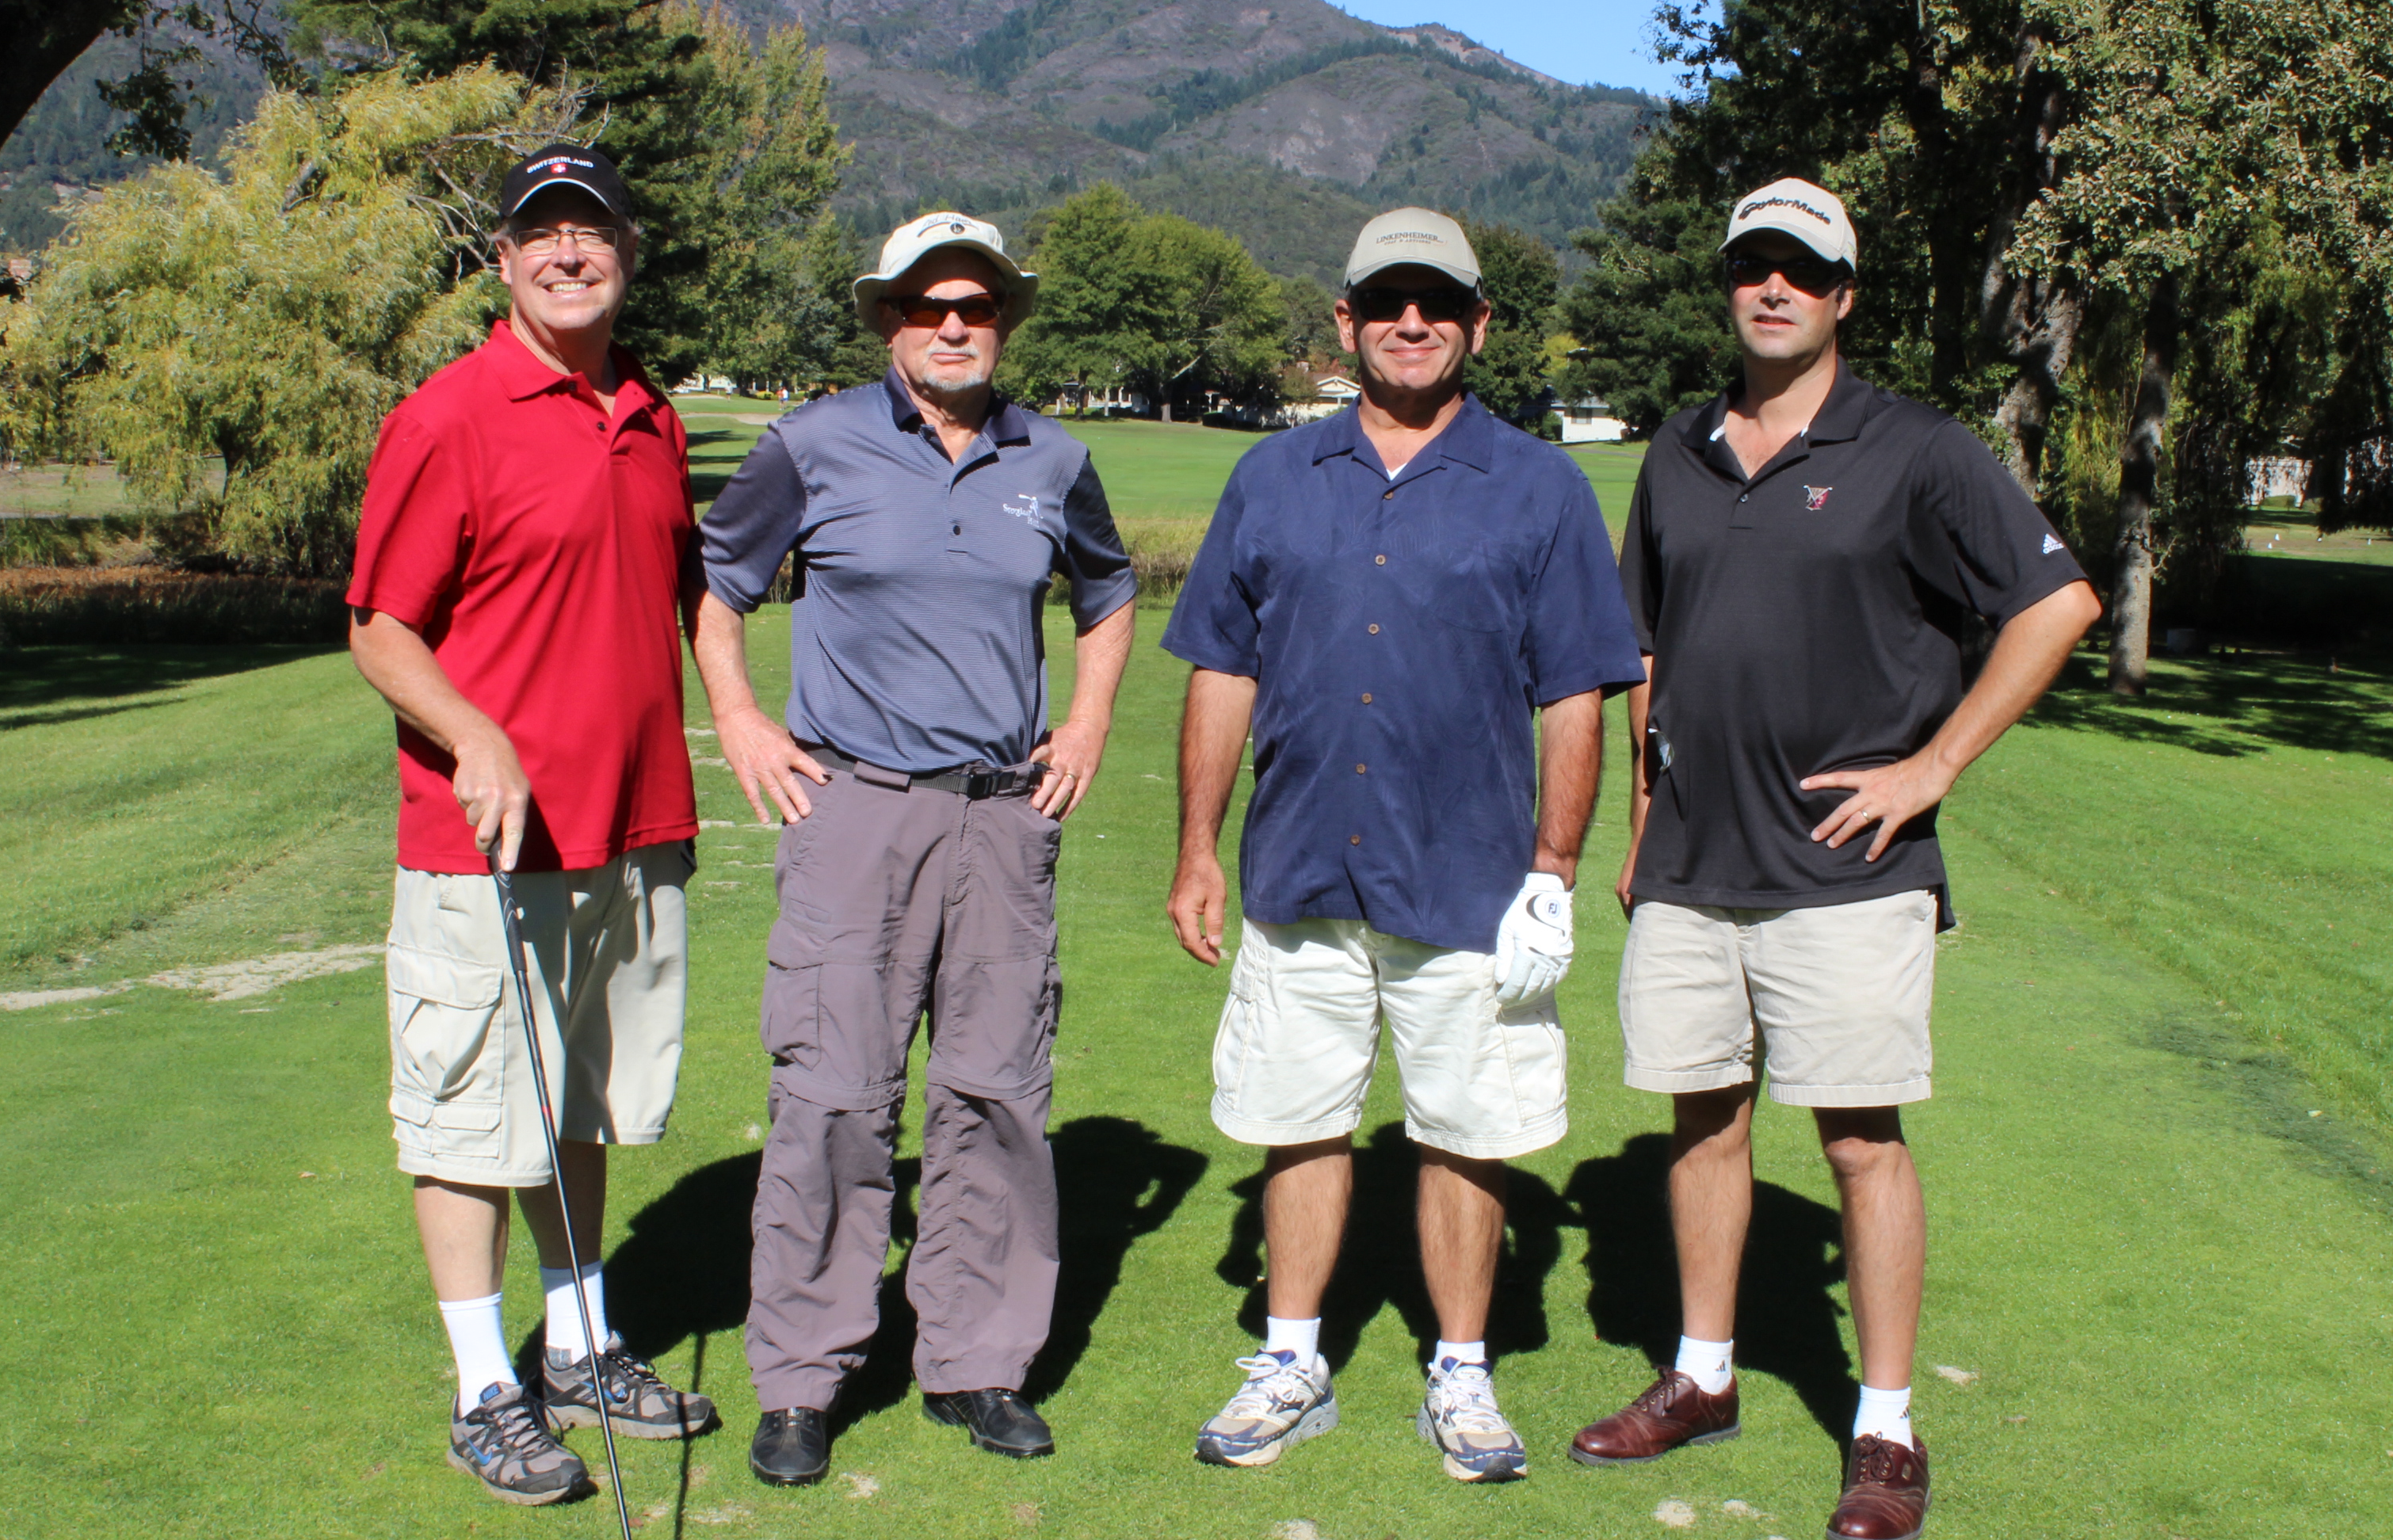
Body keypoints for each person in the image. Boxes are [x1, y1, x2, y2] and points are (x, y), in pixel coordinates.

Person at [1566, 178, 2102, 1540]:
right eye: (1754, 265)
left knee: (1861, 1142)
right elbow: (1648, 646)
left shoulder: (1917, 448)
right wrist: (1643, 815)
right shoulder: (1679, 449)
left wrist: (1933, 768)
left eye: (1802, 270)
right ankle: (1703, 1376)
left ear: (1843, 295)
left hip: (1847, 869)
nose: (1774, 288)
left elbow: (2059, 603)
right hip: (1693, 863)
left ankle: (1886, 1425)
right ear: (1729, 284)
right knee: (1703, 1119)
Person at [1161, 207, 1646, 1485]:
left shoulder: (1541, 486)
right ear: (1346, 321)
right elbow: (1221, 668)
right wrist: (1197, 847)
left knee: (1466, 1131)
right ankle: (1291, 1358)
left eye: (1437, 302)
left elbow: (1576, 692)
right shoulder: (1273, 477)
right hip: (1300, 866)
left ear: (1478, 323)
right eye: (1387, 301)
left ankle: (1462, 1371)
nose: (1411, 322)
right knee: (1298, 1120)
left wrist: (1554, 871)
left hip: (1469, 879)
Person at [692, 211, 1139, 1488]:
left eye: (977, 306)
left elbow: (1108, 593)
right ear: (890, 320)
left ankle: (976, 1362)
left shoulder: (1053, 456)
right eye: (930, 306)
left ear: (1003, 321)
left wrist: (1088, 723)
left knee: (996, 1089)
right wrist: (741, 720)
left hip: (1003, 815)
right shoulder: (812, 442)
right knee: (834, 1092)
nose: (954, 325)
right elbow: (717, 589)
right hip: (857, 810)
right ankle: (802, 1377)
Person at [346, 143, 715, 1507]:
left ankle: (577, 1346)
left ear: (627, 254)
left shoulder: (653, 416)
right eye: (542, 233)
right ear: (501, 260)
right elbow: (381, 629)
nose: (569, 253)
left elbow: (683, 597)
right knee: (468, 1117)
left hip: (631, 828)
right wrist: (476, 733)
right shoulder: (449, 415)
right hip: (486, 844)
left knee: (582, 1102)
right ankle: (482, 1391)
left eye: (591, 231)